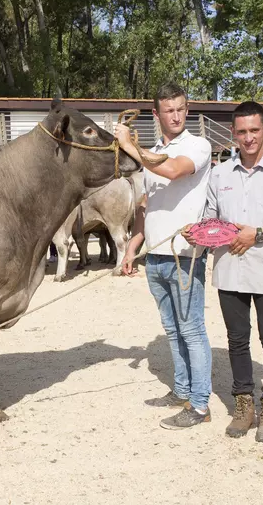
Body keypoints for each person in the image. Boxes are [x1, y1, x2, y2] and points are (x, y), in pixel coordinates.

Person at [184, 101, 263, 442]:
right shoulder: (220, 174)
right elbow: (212, 218)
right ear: (233, 133)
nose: (248, 138)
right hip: (229, 271)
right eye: (241, 131)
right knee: (237, 342)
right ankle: (243, 406)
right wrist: (198, 232)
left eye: (254, 130)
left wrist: (258, 233)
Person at [117, 81, 213, 429]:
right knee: (173, 330)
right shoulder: (155, 149)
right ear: (156, 114)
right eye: (169, 110)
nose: (176, 116)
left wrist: (129, 144)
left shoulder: (198, 145)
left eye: (181, 108)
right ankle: (183, 390)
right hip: (156, 256)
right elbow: (147, 204)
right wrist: (133, 246)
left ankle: (200, 406)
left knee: (192, 330)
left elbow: (172, 171)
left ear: (187, 110)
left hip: (185, 255)